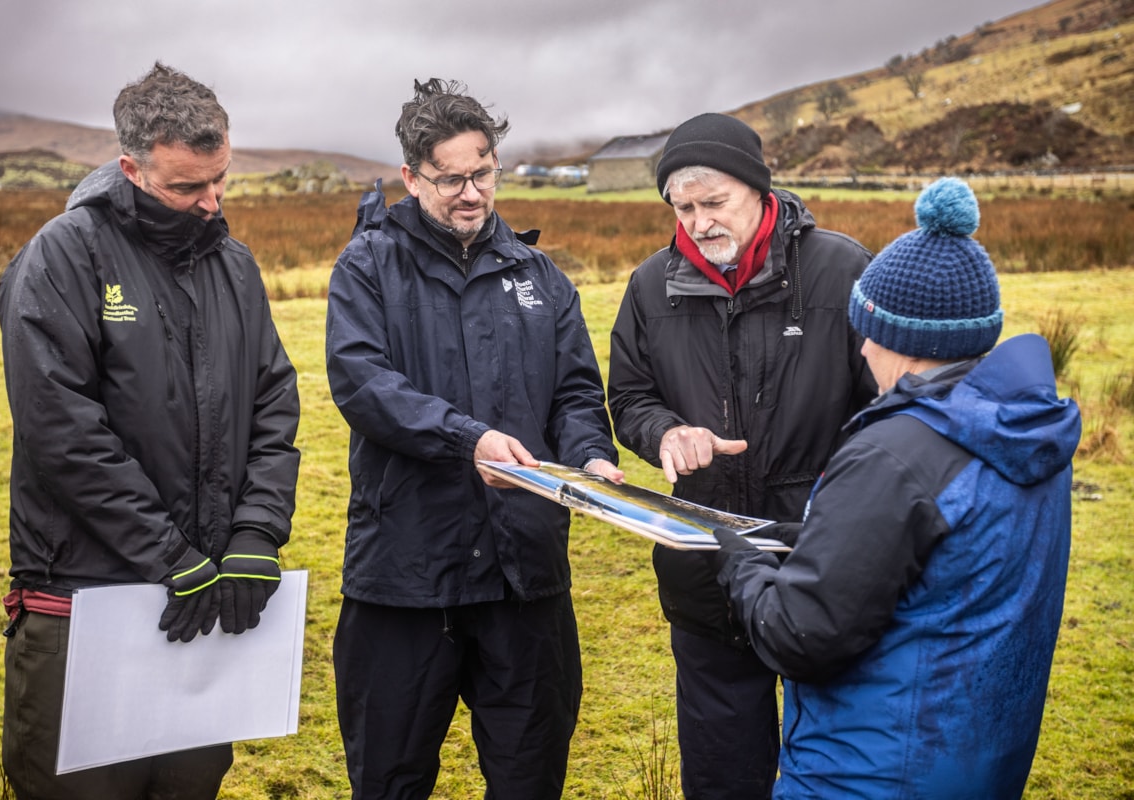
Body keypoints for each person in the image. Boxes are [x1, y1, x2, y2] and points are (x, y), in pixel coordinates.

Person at [711, 177, 1081, 798]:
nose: (860, 348)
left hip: (866, 771)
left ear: (900, 341)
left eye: (867, 332)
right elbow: (945, 555)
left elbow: (800, 635)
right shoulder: (1025, 434)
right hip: (974, 758)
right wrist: (808, 539)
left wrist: (742, 564)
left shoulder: (892, 454)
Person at [0, 62, 301, 800]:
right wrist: (167, 553)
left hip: (205, 602)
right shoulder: (62, 257)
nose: (211, 202)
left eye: (221, 179)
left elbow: (273, 400)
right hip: (84, 602)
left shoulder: (234, 265)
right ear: (130, 167)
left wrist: (256, 534)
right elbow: (60, 429)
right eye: (186, 187)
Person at [325, 77, 622, 799]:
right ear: (410, 177)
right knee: (389, 779)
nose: (470, 192)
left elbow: (577, 390)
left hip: (525, 575)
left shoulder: (539, 275)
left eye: (482, 173)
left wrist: (589, 453)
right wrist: (469, 440)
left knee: (530, 776)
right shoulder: (367, 266)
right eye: (450, 178)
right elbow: (364, 386)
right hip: (405, 575)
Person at [607, 112, 878, 799]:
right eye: (683, 207)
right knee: (723, 774)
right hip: (706, 565)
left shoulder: (843, 270)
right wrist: (665, 433)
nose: (698, 222)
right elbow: (630, 395)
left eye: (714, 202)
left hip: (826, 561)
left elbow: (886, 406)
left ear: (760, 191)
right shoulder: (649, 287)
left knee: (842, 767)